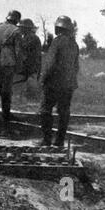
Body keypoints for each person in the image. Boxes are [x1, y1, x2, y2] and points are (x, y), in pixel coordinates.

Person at [39, 16, 79, 146]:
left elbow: (50, 63)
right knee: (64, 112)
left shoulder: (57, 42)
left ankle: (46, 140)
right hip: (68, 85)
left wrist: (43, 79)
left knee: (45, 110)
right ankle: (60, 141)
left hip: (54, 83)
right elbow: (76, 66)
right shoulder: (74, 44)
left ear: (58, 28)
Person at [0, 10, 23, 130]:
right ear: (17, 20)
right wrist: (19, 66)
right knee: (6, 90)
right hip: (8, 63)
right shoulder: (16, 31)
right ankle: (5, 115)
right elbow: (18, 51)